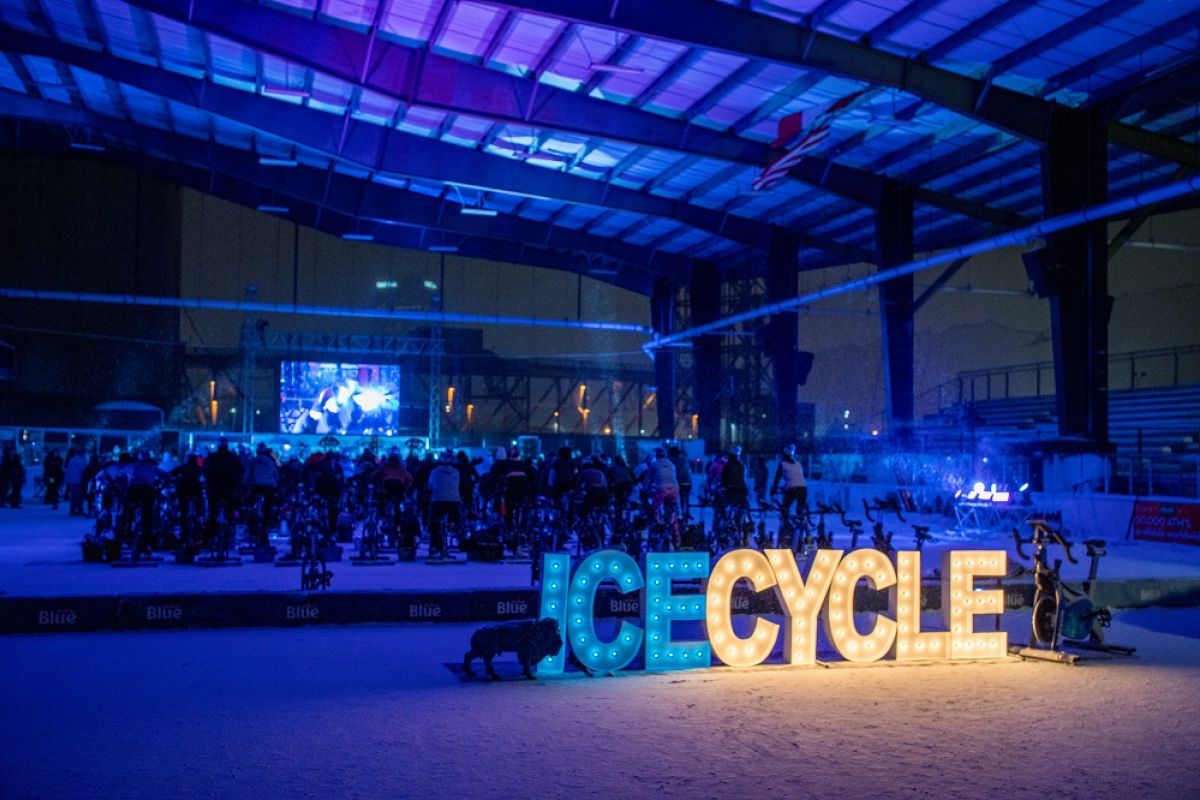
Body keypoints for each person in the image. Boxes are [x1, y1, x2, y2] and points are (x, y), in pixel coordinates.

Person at [427, 451, 461, 559]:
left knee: (433, 523)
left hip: (438, 501)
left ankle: (434, 546)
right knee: (455, 520)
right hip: (454, 502)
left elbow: (430, 486)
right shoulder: (456, 472)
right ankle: (456, 531)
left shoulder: (434, 472)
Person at [770, 444, 808, 525]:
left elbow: (777, 479)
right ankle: (801, 526)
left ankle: (787, 526)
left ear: (784, 455)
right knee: (800, 510)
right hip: (803, 489)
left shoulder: (782, 464)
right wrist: (785, 486)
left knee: (784, 508)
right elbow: (796, 478)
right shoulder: (798, 463)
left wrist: (773, 490)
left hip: (792, 489)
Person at [64, 447, 88, 516]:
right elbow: (83, 470)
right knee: (79, 496)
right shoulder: (80, 460)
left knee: (73, 496)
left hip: (71, 480)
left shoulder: (72, 459)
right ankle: (79, 510)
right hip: (78, 480)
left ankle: (73, 509)